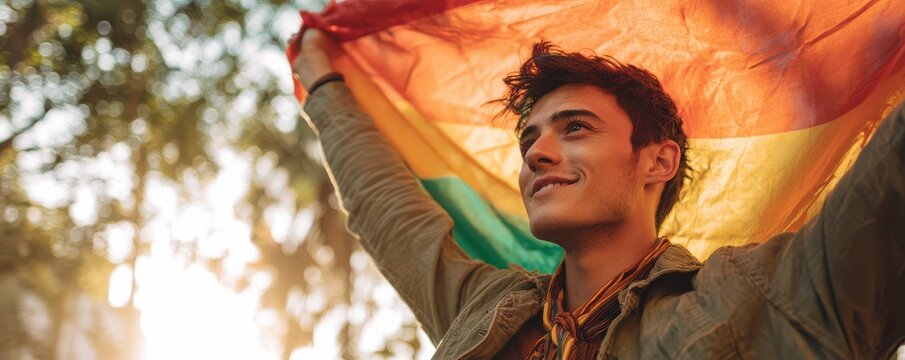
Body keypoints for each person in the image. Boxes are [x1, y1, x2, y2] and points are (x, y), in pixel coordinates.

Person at [291, 29, 905, 359]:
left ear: (657, 160)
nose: (536, 153)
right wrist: (322, 80)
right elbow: (386, 207)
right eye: (529, 139)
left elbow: (885, 201)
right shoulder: (487, 311)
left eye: (575, 128)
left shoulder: (749, 299)